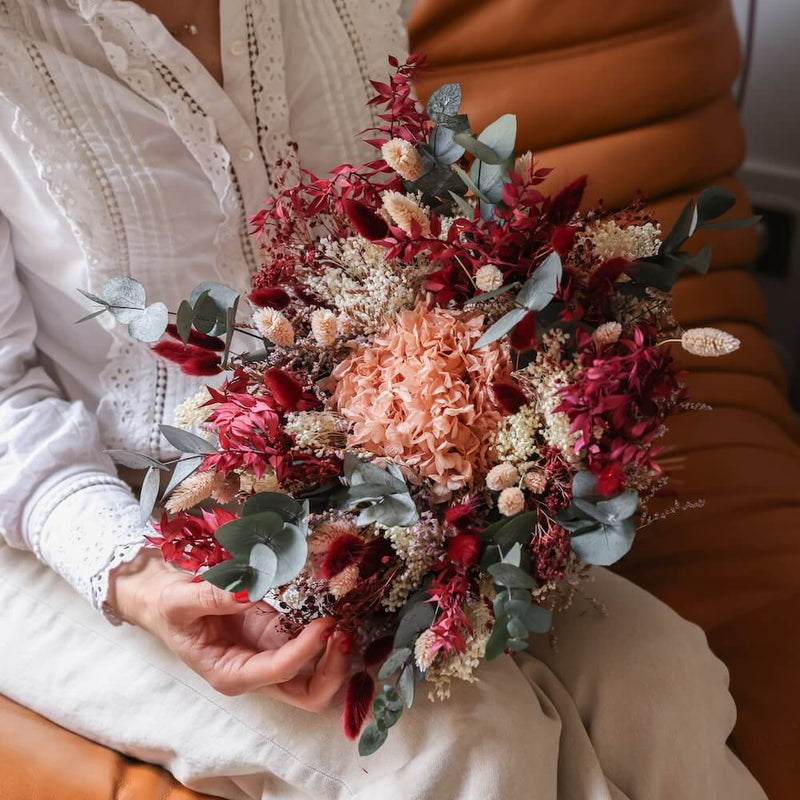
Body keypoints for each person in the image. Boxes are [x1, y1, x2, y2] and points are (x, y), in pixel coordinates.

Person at [0, 2, 768, 798]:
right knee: (475, 756)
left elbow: (390, 250)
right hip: (73, 520)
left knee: (664, 678)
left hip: (346, 493)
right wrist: (137, 576)